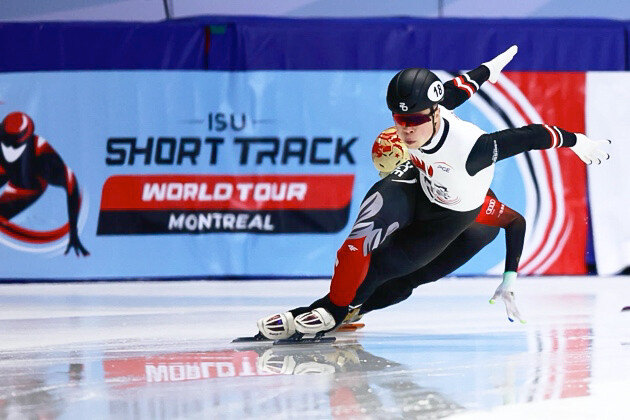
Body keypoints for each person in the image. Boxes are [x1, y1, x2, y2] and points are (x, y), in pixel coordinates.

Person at [256, 45, 610, 340]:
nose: (406, 130)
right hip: (417, 184)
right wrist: (490, 68)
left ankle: (336, 310)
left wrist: (578, 142)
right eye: (399, 119)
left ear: (436, 115)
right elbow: (464, 84)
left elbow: (532, 136)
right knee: (361, 238)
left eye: (415, 121)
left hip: (448, 217)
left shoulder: (474, 150)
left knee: (385, 270)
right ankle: (333, 309)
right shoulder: (438, 103)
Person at [340, 128, 527, 325]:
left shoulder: (449, 189)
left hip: (471, 230)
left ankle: (349, 310)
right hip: (460, 223)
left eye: (392, 176)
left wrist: (509, 281)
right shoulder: (426, 167)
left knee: (402, 276)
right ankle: (348, 308)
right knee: (392, 268)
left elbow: (515, 221)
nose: (391, 183)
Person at [0, 111, 89, 256]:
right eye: (5, 142)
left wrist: (73, 233)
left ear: (26, 141)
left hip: (28, 184)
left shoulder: (43, 156)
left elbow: (71, 183)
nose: (9, 149)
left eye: (15, 145)